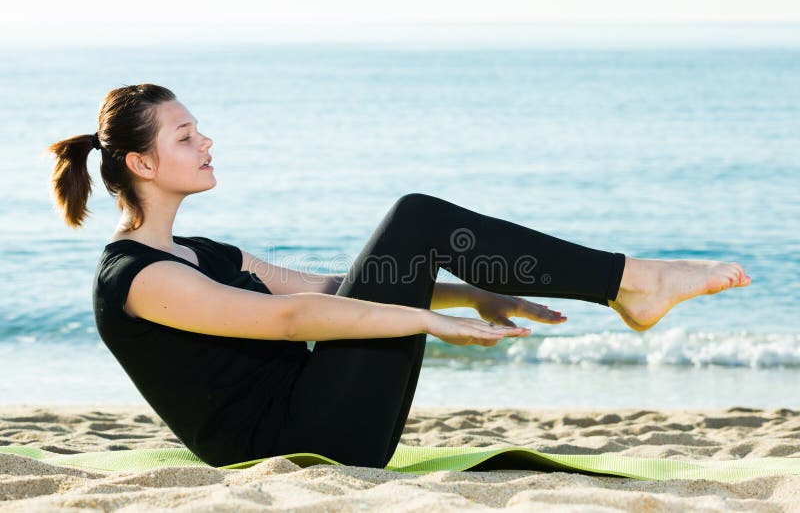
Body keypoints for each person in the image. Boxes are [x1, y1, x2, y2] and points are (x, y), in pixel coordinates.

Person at [48, 83, 751, 468]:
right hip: (295, 449)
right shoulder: (136, 279)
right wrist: (430, 321)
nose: (206, 142)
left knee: (418, 235)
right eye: (185, 136)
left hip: (327, 421)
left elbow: (329, 290)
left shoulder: (203, 253)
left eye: (199, 129)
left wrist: (467, 291)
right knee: (418, 218)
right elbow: (289, 321)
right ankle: (632, 281)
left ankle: (629, 283)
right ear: (141, 164)